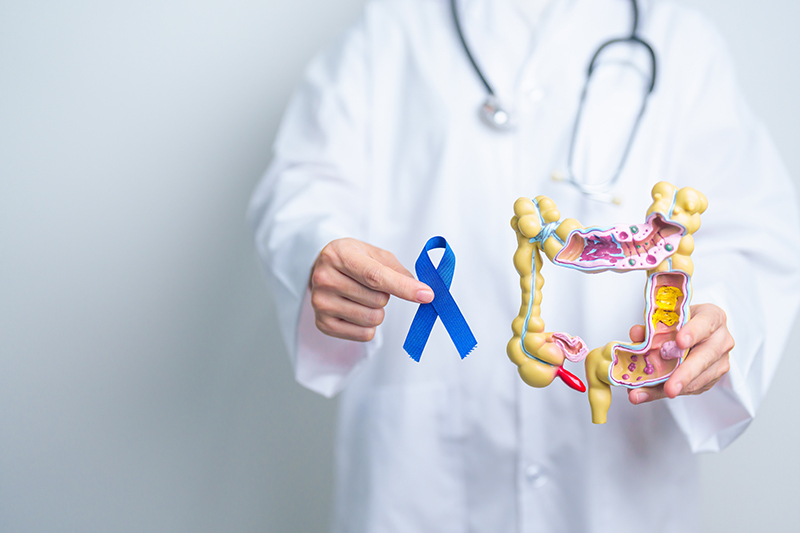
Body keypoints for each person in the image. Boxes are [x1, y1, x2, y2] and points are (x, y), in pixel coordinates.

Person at [249, 0, 800, 531]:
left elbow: (753, 231)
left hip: (618, 477)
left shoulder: (681, 43)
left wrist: (722, 315)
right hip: (418, 476)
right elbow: (304, 189)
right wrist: (318, 253)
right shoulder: (390, 33)